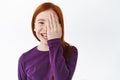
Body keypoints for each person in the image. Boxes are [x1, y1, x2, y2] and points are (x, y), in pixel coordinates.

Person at [18, 2, 78, 80]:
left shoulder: (70, 51)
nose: (47, 29)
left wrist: (54, 42)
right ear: (34, 26)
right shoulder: (24, 59)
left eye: (52, 23)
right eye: (41, 23)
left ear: (60, 26)